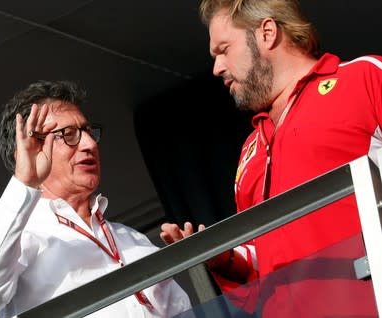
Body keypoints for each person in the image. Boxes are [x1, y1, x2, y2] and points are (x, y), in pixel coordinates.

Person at [161, 0, 382, 316]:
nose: (216, 68)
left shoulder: (362, 79)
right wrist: (219, 258)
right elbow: (262, 261)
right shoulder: (251, 150)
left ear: (267, 33)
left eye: (223, 49)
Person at [0, 80, 191, 318]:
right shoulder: (21, 239)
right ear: (27, 153)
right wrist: (24, 183)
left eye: (88, 132)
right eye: (68, 135)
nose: (88, 144)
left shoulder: (132, 239)